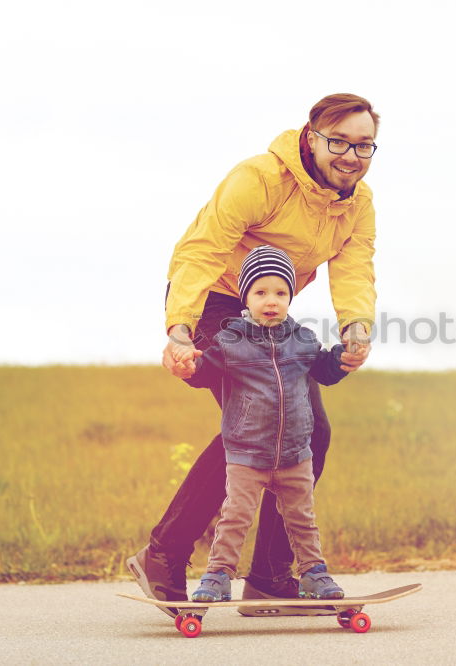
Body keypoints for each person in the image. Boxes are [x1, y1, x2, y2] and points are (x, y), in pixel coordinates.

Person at [126, 93, 379, 617]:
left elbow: (354, 267)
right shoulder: (261, 178)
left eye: (364, 146)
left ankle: (269, 577)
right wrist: (180, 330)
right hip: (216, 302)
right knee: (255, 427)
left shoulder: (356, 201)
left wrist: (356, 327)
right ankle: (163, 556)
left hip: (270, 310)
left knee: (310, 431)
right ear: (311, 137)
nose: (352, 157)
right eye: (340, 142)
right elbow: (202, 250)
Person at [181, 246, 347, 603]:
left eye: (280, 292)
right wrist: (187, 369)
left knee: (302, 520)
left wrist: (344, 359)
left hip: (294, 454)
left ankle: (313, 574)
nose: (271, 300)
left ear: (290, 296)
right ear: (246, 297)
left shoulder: (302, 340)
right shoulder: (230, 342)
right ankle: (218, 576)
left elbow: (324, 371)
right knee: (235, 517)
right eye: (261, 292)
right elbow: (202, 373)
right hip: (247, 454)